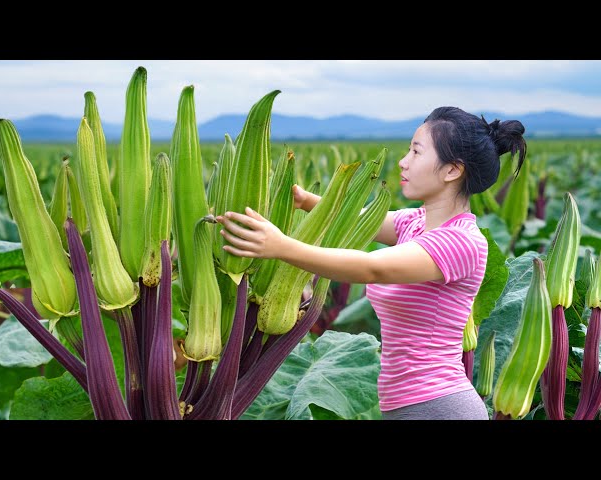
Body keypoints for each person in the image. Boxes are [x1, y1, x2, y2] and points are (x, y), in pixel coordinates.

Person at [216, 106, 527, 420]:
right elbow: (357, 220)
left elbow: (371, 268)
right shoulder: (414, 224)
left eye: (417, 153)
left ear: (451, 170)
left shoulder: (461, 242)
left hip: (439, 406)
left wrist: (281, 247)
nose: (404, 163)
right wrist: (304, 199)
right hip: (406, 406)